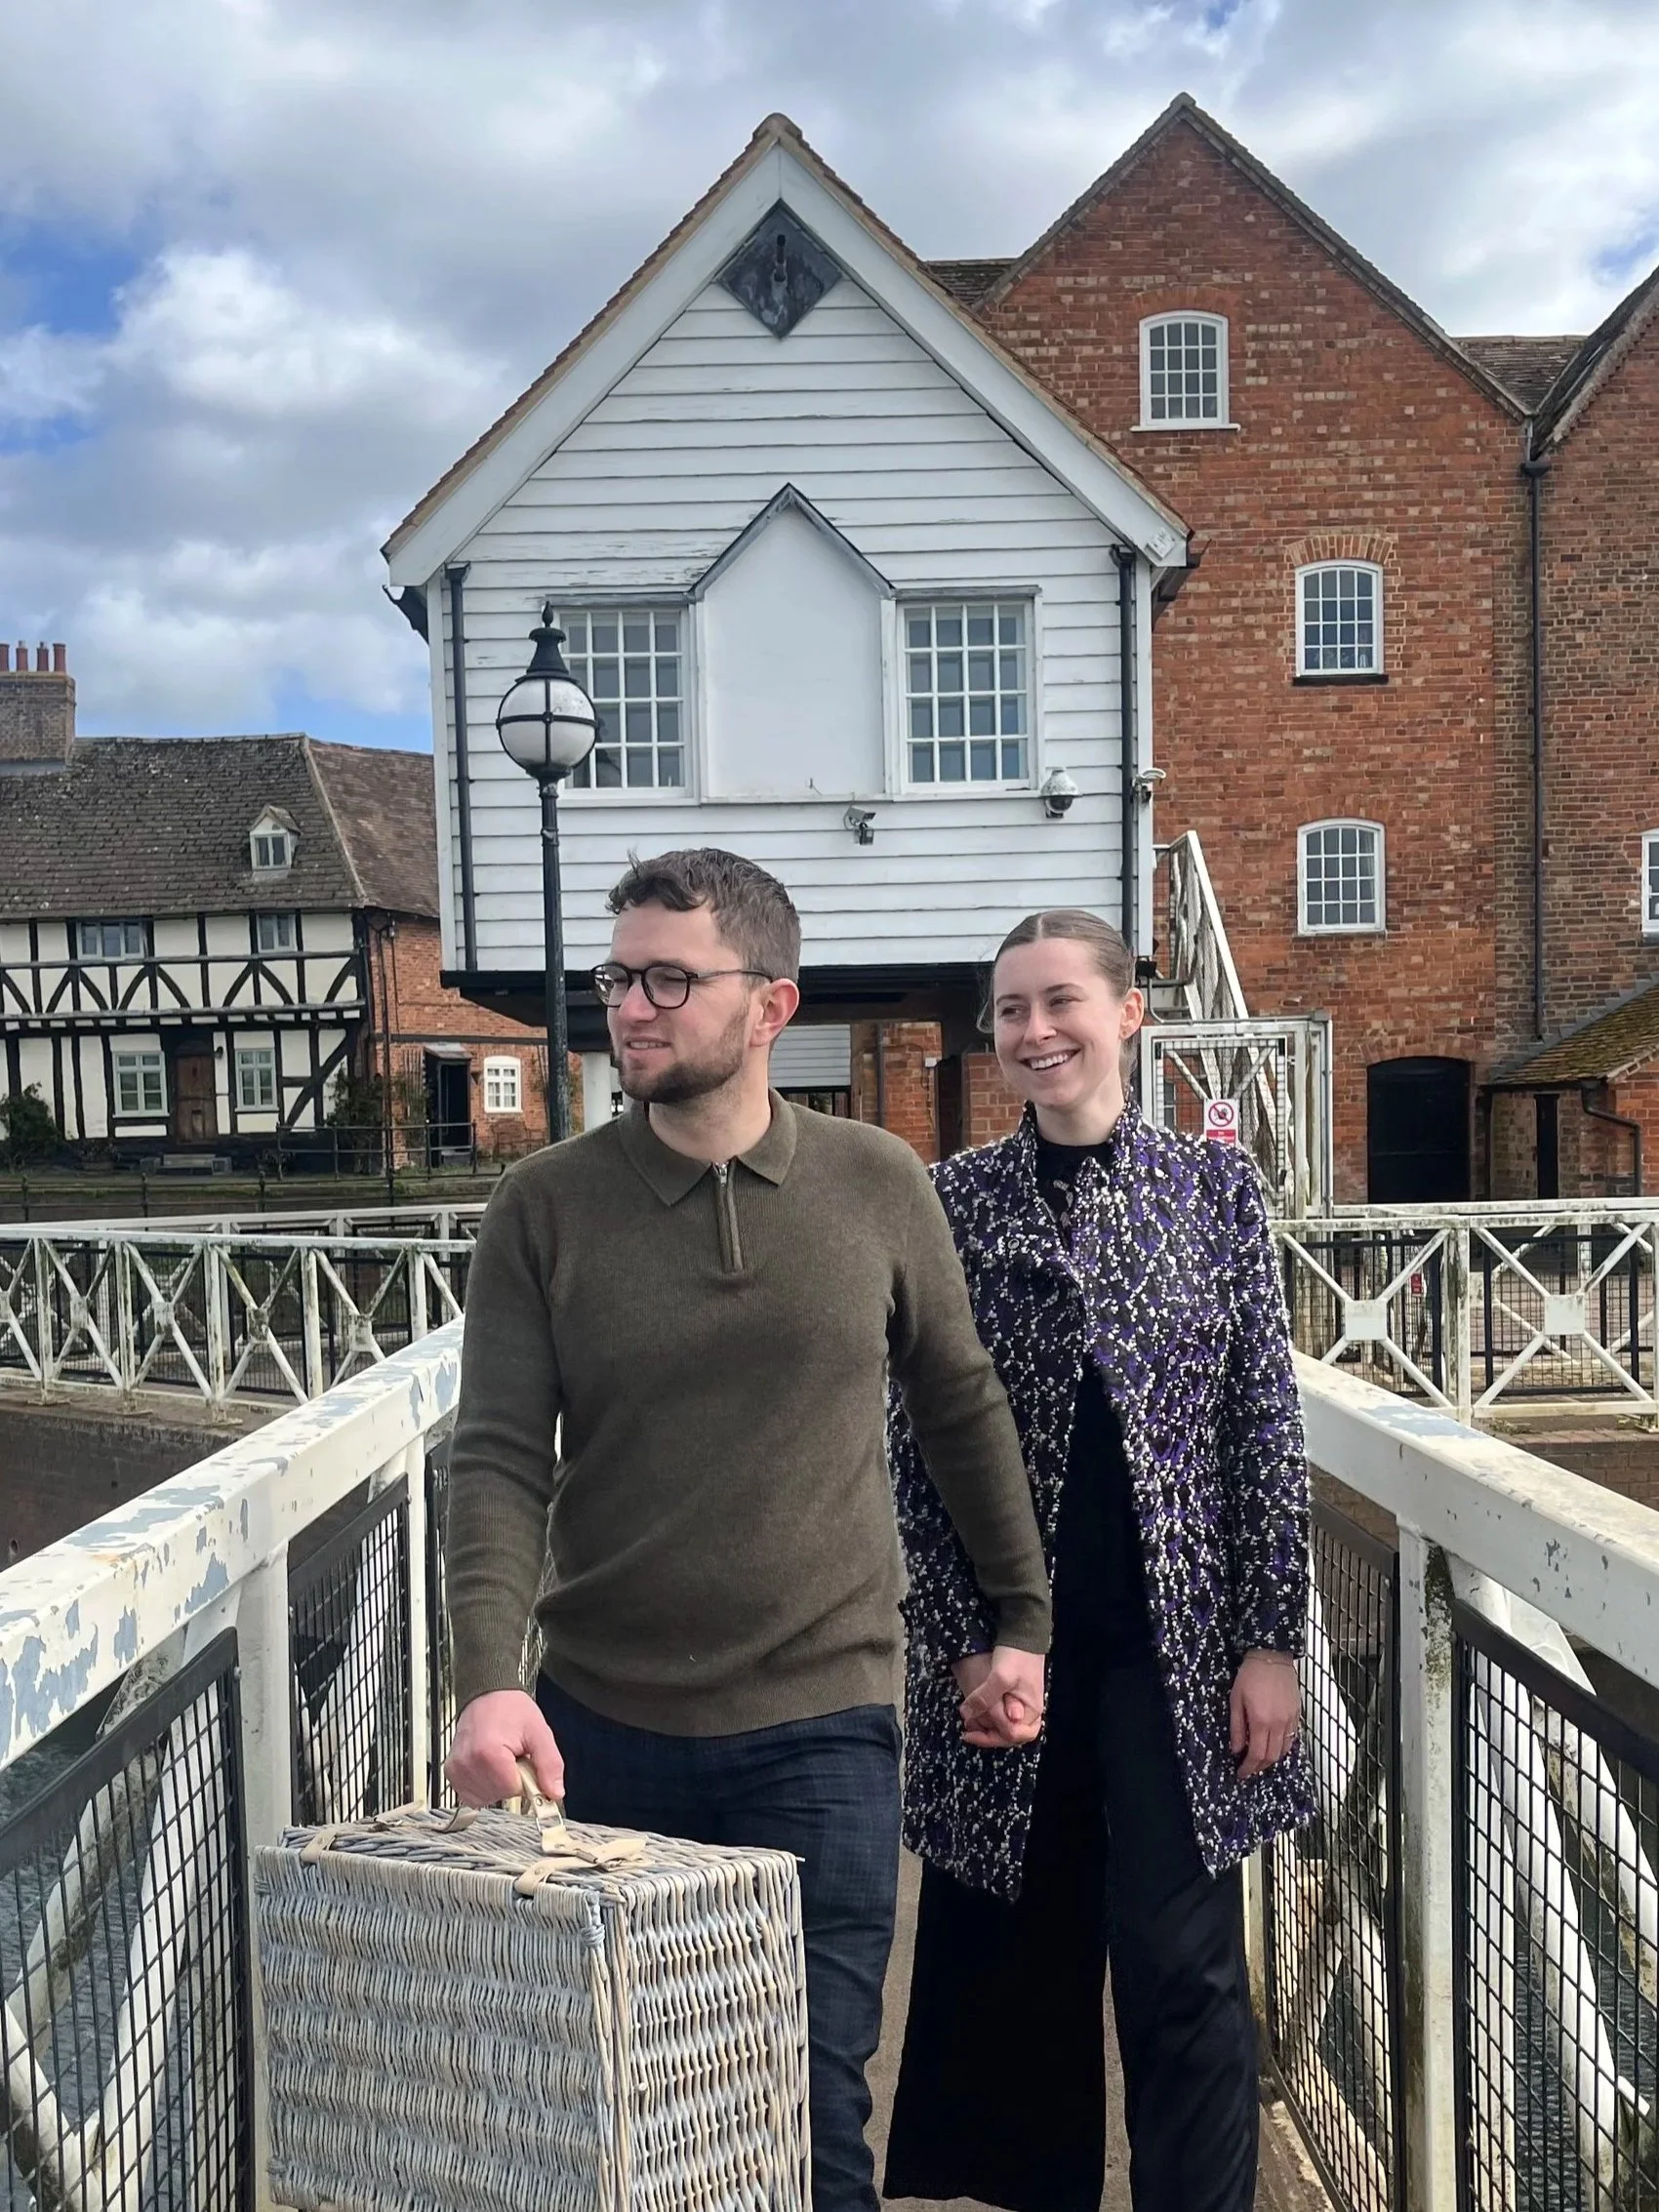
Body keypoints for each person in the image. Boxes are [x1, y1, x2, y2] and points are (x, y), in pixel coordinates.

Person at [441, 847, 1052, 2212]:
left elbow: (960, 1405)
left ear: (771, 1005)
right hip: (598, 1726)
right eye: (618, 976)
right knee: (621, 2114)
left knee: (807, 2107)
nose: (632, 1008)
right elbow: (492, 1455)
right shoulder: (542, 1207)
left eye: (670, 978)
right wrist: (488, 1670)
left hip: (824, 1720)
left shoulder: (878, 1179)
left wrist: (1021, 1619)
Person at [884, 907, 1314, 2212]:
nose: (1033, 1031)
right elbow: (917, 1447)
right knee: (1023, 1963)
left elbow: (1262, 1425)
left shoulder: (1214, 1189)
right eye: (1010, 1009)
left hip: (1175, 1650)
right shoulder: (951, 1198)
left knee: (1184, 1964)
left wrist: (1272, 1641)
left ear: (1129, 1011)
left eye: (1060, 1000)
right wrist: (964, 1638)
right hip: (1012, 1647)